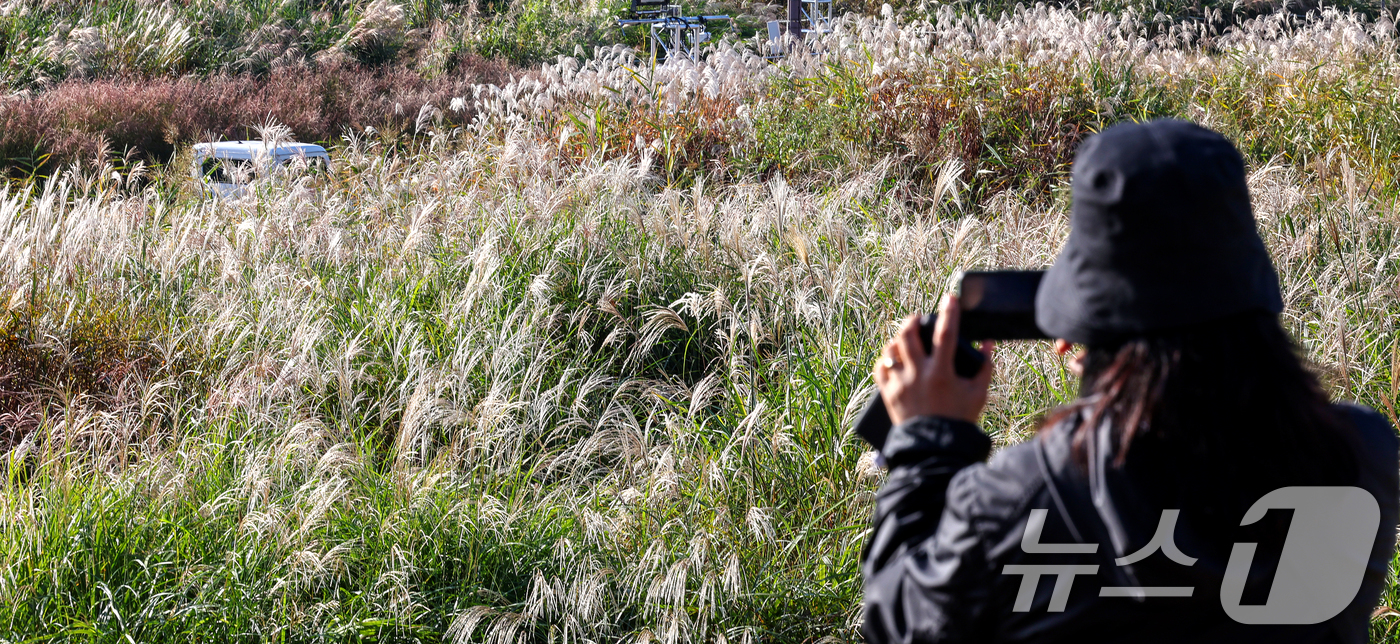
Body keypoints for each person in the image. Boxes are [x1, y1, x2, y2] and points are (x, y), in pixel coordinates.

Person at [862, 119, 1398, 643]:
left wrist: (928, 448)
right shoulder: (1364, 458)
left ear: (1092, 319)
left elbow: (899, 620)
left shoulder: (1019, 500)